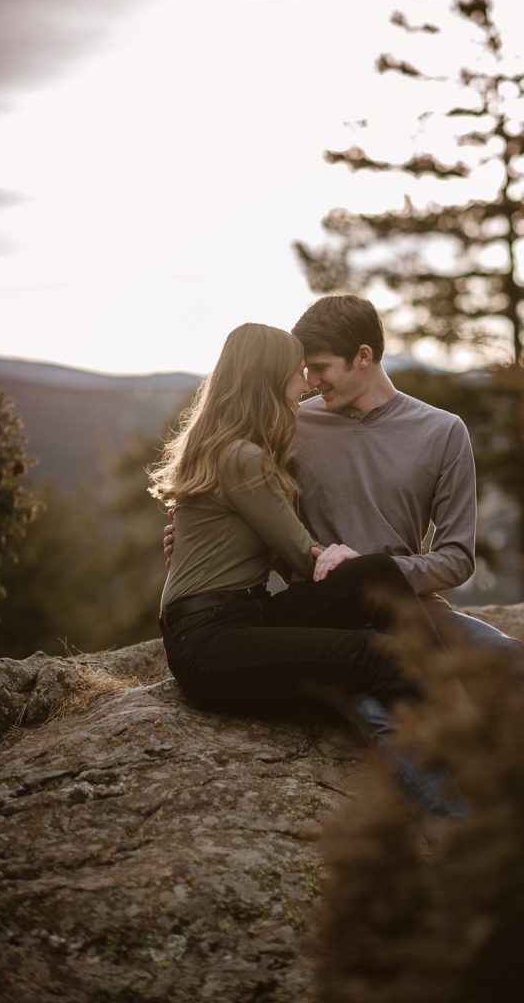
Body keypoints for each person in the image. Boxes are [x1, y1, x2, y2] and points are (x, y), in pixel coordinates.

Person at [150, 322, 467, 819]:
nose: (306, 385)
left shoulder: (233, 447)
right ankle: (461, 779)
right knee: (372, 655)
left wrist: (344, 564)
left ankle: (450, 702)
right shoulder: (242, 457)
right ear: (270, 378)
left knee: (379, 572)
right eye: (298, 374)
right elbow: (303, 558)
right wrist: (330, 557)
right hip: (211, 642)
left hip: (238, 620)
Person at [165, 295, 524, 694]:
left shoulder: (443, 431)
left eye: (320, 367)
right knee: (379, 712)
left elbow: (456, 558)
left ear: (363, 356)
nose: (310, 382)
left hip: (406, 606)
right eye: (305, 370)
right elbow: (250, 505)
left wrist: (373, 575)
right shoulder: (291, 424)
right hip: (319, 608)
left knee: (509, 657)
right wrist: (196, 537)